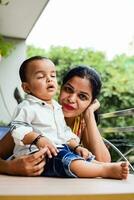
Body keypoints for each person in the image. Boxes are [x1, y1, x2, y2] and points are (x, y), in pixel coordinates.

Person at [8, 55, 128, 179]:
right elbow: (17, 129)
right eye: (68, 89)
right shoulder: (32, 111)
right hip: (44, 158)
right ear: (61, 88)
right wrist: (10, 167)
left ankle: (103, 169)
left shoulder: (68, 116)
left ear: (91, 102)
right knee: (66, 159)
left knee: (83, 158)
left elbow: (104, 161)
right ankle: (103, 170)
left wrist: (89, 114)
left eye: (83, 97)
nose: (71, 99)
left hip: (63, 172)